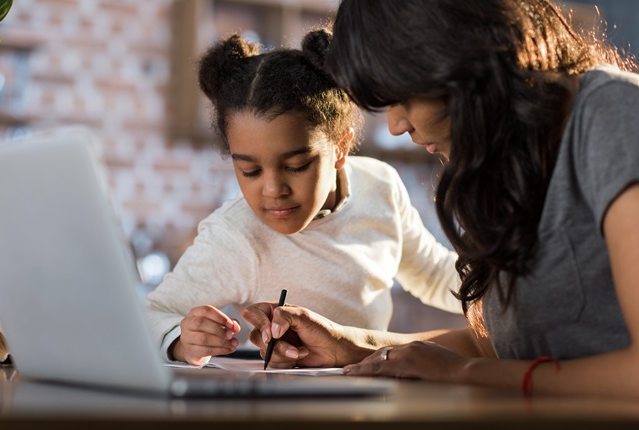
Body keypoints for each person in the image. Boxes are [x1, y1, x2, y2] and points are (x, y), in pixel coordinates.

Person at [242, 0, 639, 398]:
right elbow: (501, 348)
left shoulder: (613, 114)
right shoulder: (510, 159)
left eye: (402, 97)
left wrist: (466, 373)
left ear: (457, 56)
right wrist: (352, 346)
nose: (397, 125)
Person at [144, 27, 462, 366]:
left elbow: (433, 274)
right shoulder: (235, 236)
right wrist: (180, 339)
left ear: (341, 146)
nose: (272, 190)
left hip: (372, 397)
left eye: (296, 165)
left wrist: (507, 291)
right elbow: (149, 315)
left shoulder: (379, 185)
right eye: (250, 172)